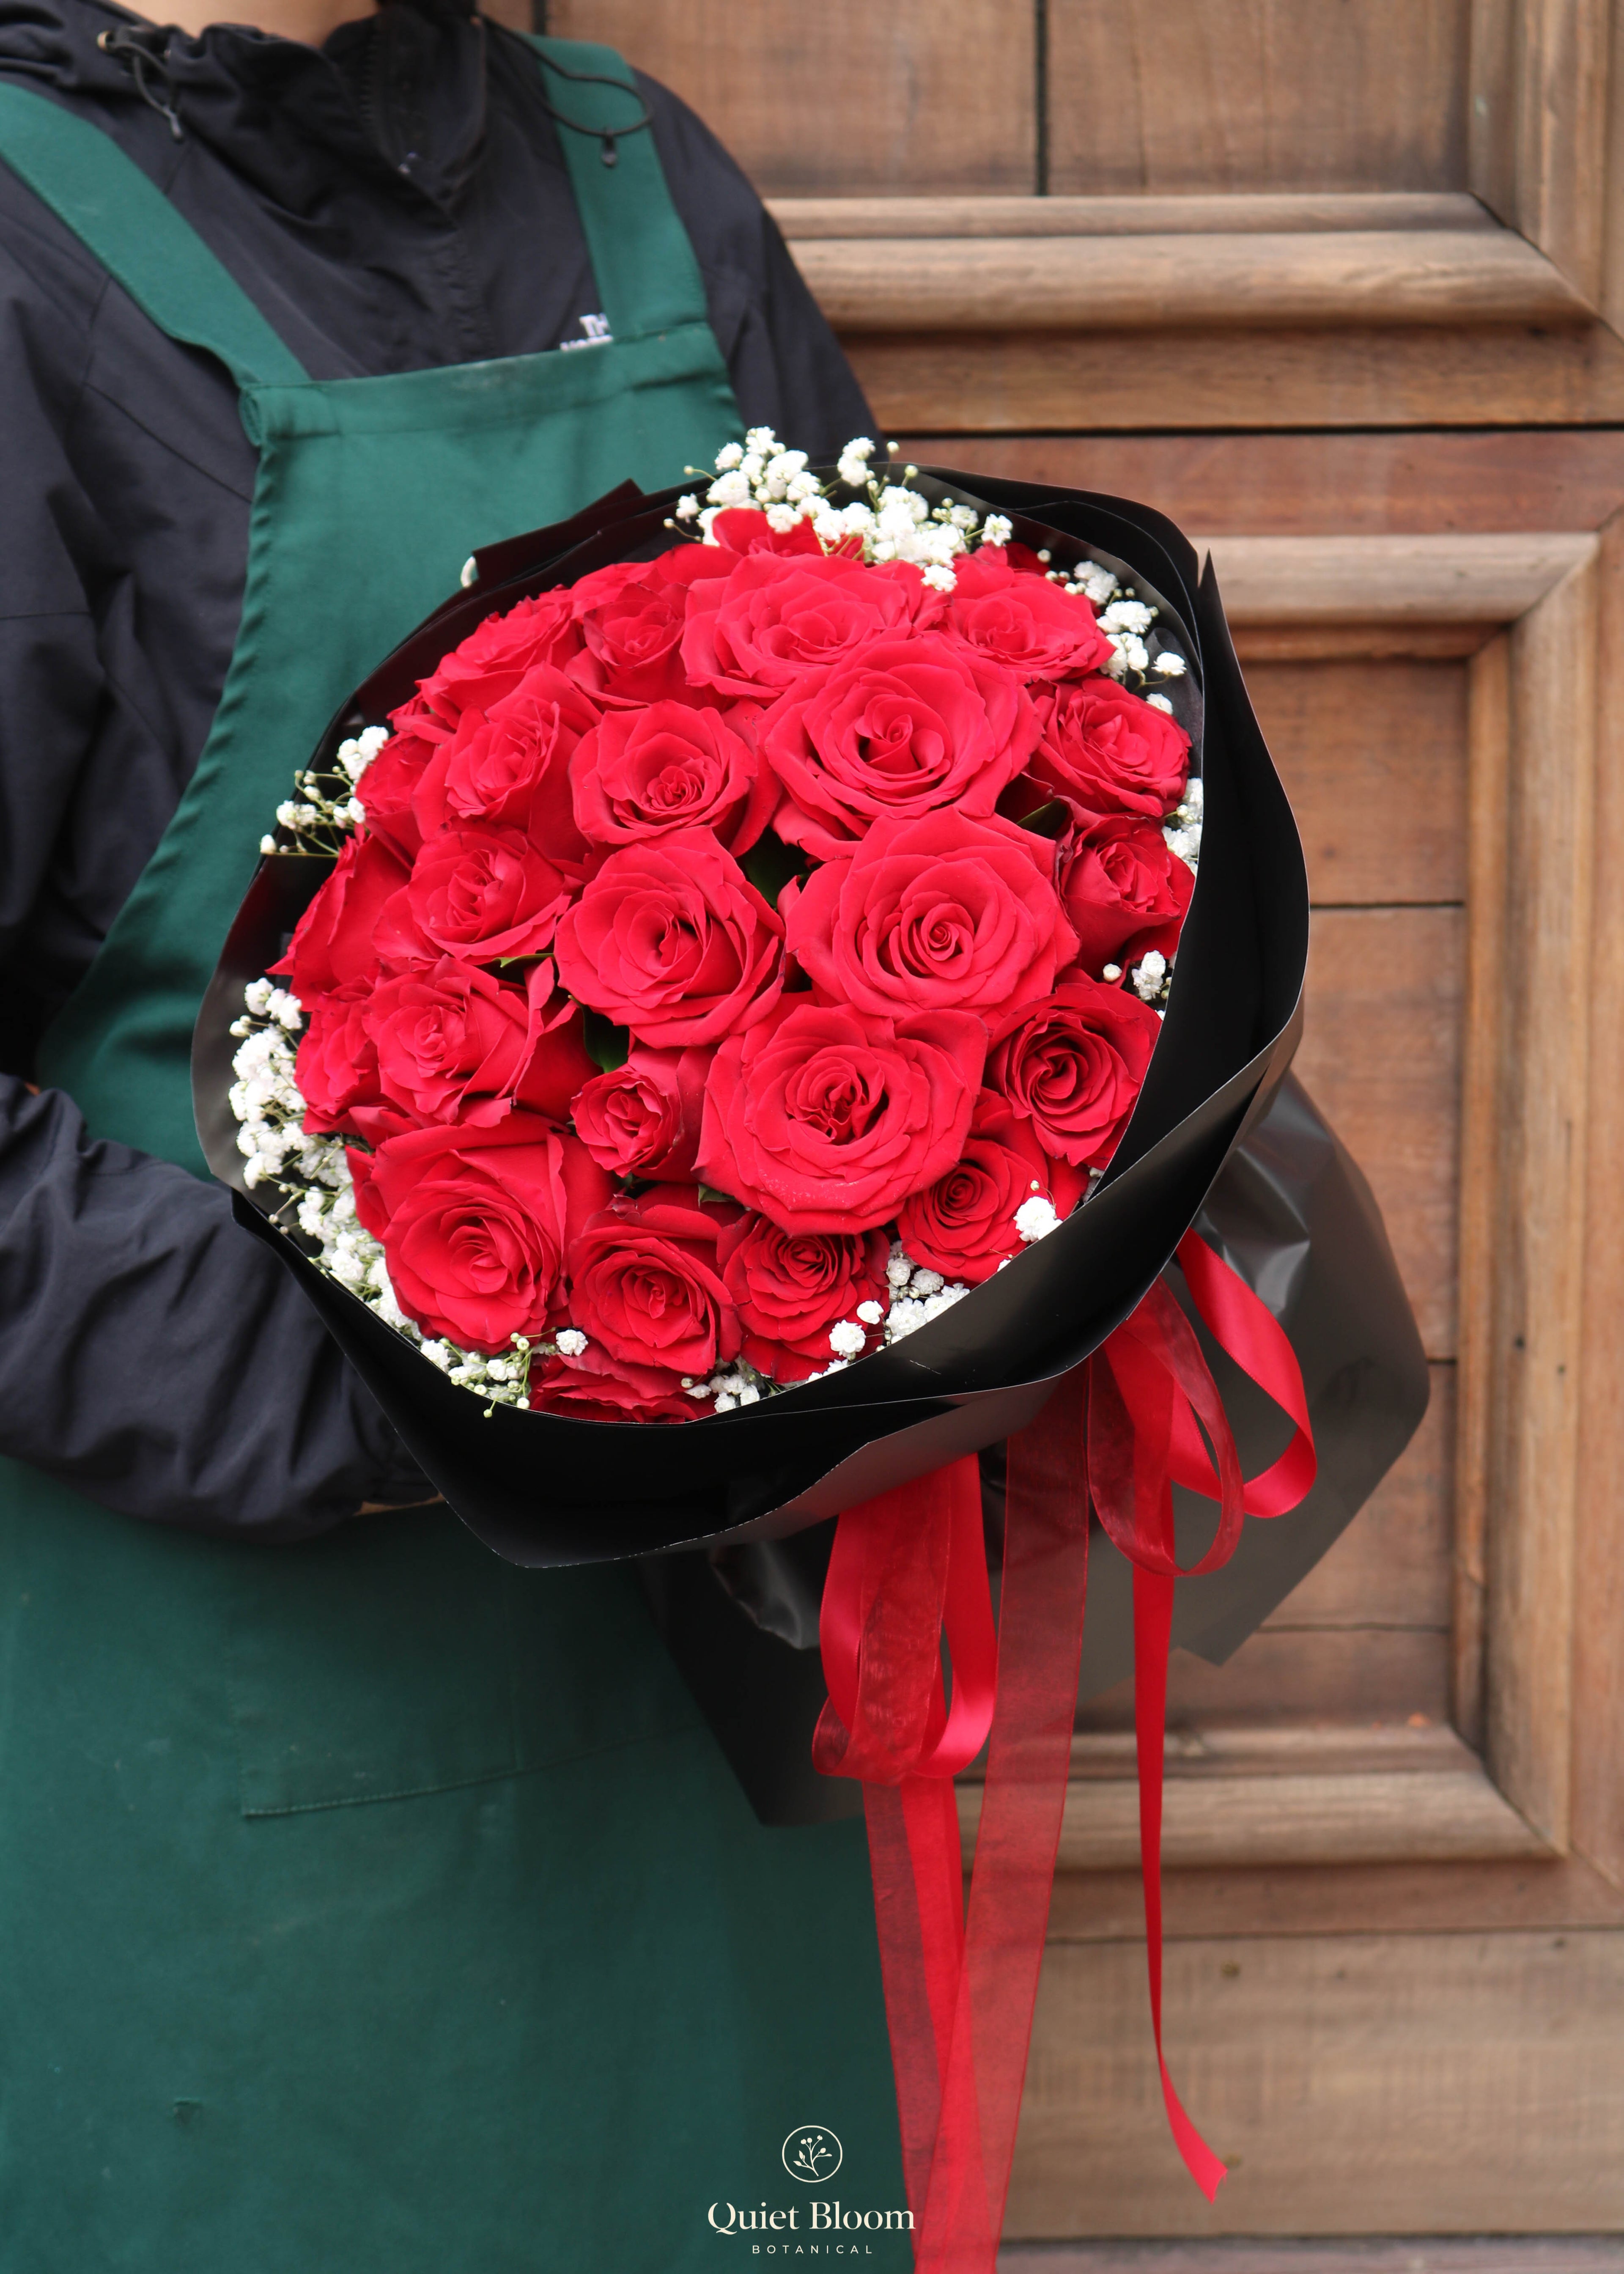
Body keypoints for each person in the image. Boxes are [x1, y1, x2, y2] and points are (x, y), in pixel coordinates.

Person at [0, 1, 905, 2265]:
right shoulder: (22, 247)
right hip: (219, 1732)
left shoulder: (645, 178)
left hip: (702, 1723)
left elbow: (940, 762)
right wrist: (432, 1378)